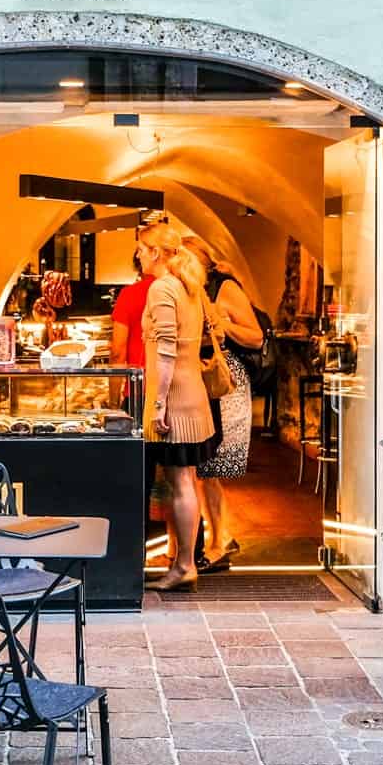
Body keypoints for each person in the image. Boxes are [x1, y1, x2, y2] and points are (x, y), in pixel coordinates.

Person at [138, 221, 218, 593]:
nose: (138, 255)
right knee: (183, 481)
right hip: (192, 393)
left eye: (141, 249)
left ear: (155, 252)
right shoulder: (190, 286)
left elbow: (166, 351)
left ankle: (184, 564)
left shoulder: (162, 287)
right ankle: (183, 561)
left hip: (174, 399)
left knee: (181, 481)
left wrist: (157, 405)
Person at [182, 236, 264, 573]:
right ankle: (212, 538)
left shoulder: (225, 288)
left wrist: (221, 321)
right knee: (201, 468)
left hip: (226, 378)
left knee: (211, 466)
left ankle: (221, 539)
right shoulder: (190, 290)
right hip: (202, 378)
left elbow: (256, 336)